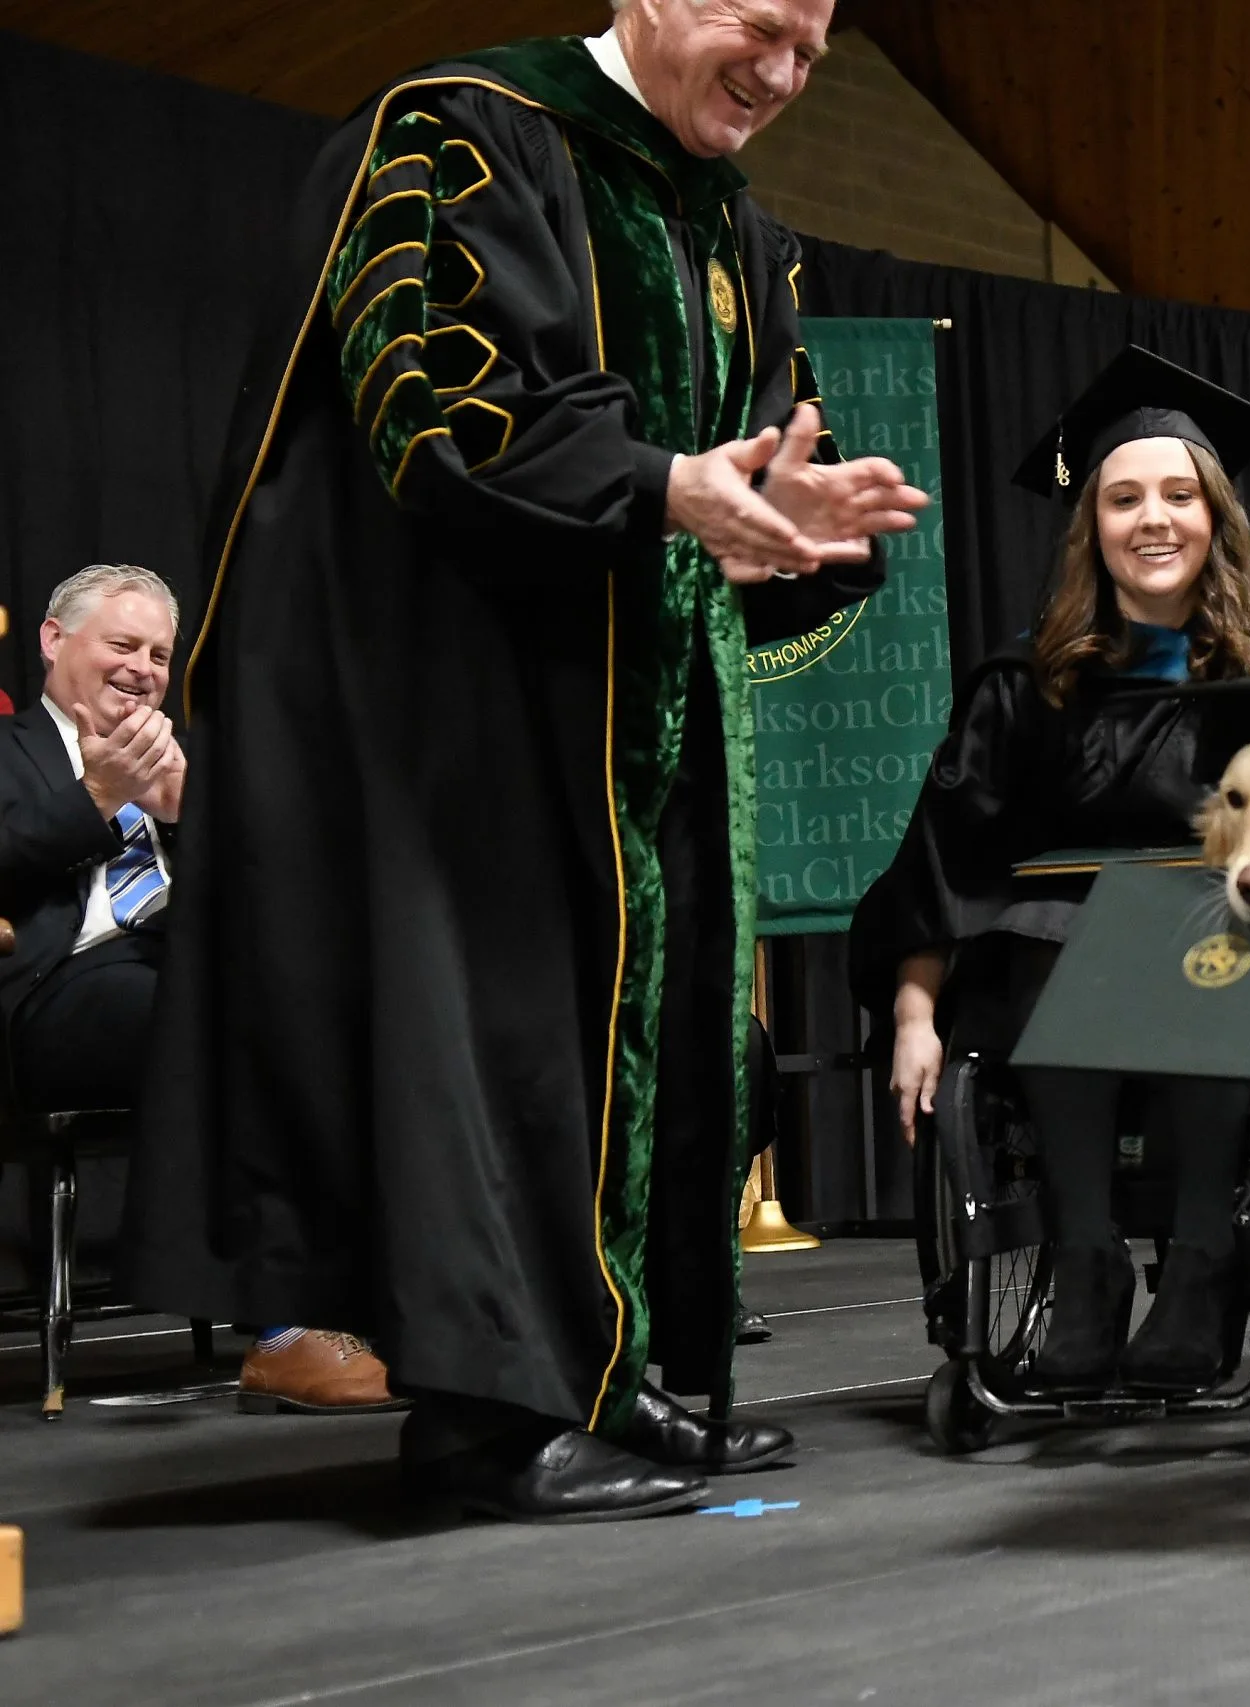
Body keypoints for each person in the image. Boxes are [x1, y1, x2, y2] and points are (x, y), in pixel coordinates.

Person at [124, 0, 930, 1523]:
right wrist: (662, 484)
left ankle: (618, 1374)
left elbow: (741, 469)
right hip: (460, 704)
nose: (782, 73)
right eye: (759, 26)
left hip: (638, 702)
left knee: (645, 1038)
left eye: (814, 50)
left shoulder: (740, 231)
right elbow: (424, 406)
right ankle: (492, 1418)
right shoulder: (463, 130)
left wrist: (794, 520)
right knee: (497, 1044)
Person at [852, 347, 1250, 1391]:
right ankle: (1086, 1269)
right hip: (1055, 967)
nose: (1152, 519)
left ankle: (1205, 1264)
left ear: (1216, 518)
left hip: (1240, 958)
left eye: (1178, 495)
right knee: (1050, 945)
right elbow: (943, 857)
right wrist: (911, 1017)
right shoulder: (1029, 684)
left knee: (1196, 944)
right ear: (1094, 527)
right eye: (1122, 498)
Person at [1, 566, 397, 1415]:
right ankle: (286, 1327)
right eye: (122, 644)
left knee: (347, 1006)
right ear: (52, 639)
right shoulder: (9, 751)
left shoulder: (188, 762)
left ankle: (389, 1303)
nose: (143, 667)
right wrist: (99, 796)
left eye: (158, 653)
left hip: (185, 968)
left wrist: (185, 816)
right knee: (221, 1017)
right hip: (56, 991)